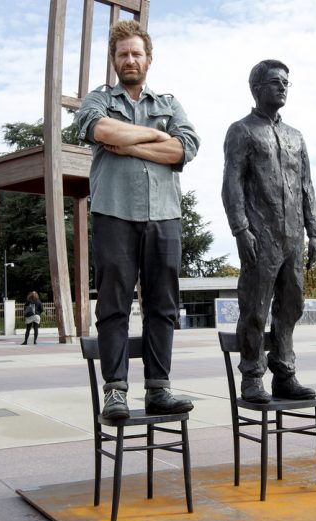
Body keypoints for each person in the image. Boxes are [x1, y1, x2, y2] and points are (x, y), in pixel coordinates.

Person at [74, 20, 200, 420]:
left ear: (149, 59)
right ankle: (115, 391)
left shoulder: (169, 102)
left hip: (165, 215)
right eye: (123, 54)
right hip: (113, 212)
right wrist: (157, 139)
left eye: (136, 53)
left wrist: (127, 146)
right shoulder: (97, 99)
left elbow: (186, 148)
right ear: (113, 60)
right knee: (113, 303)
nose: (130, 60)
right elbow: (95, 127)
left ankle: (159, 389)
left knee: (163, 305)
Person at [222, 59, 316, 403]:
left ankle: (285, 372)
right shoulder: (242, 130)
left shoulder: (296, 136)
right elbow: (231, 183)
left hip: (294, 235)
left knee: (292, 305)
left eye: (285, 83)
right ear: (256, 88)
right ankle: (251, 375)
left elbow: (307, 186)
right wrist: (240, 229)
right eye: (275, 82)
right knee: (255, 306)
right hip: (259, 235)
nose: (282, 87)